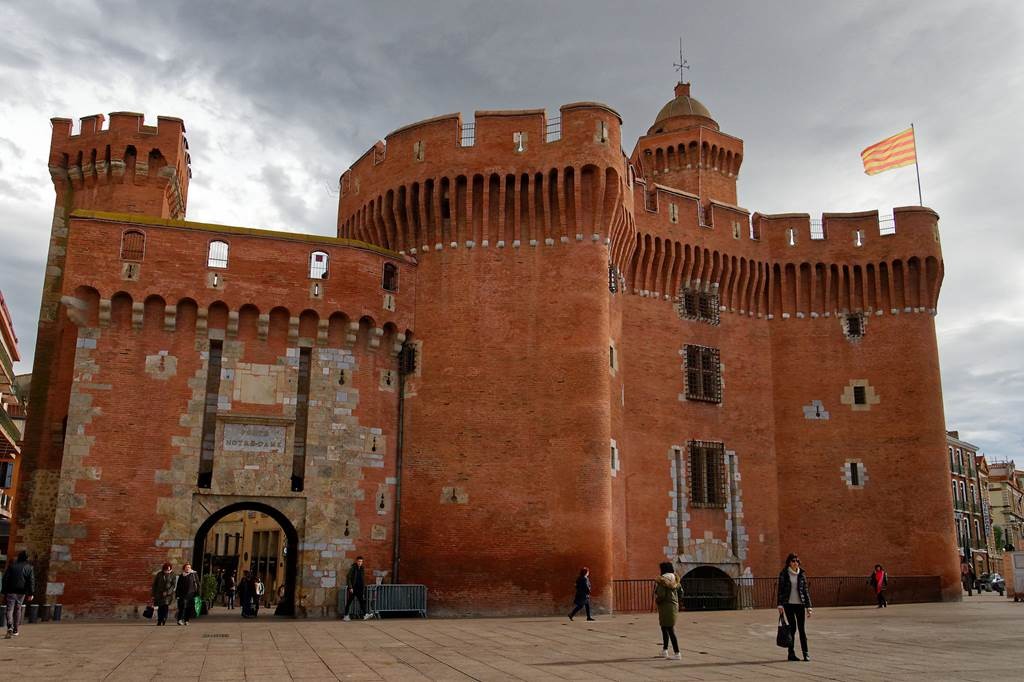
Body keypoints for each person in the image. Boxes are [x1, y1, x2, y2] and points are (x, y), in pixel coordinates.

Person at [777, 553, 812, 662]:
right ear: (789, 562)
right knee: (792, 629)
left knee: (802, 629)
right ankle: (791, 653)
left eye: (797, 561)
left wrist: (809, 607)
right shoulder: (784, 574)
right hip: (789, 605)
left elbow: (805, 591)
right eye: (793, 561)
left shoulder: (801, 574)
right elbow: (780, 590)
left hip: (800, 605)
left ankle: (806, 653)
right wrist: (780, 604)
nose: (795, 563)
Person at [1, 550, 34, 638]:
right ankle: (15, 630)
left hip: (11, 590)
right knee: (18, 609)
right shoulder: (29, 567)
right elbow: (31, 581)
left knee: (9, 609)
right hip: (21, 591)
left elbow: (5, 579)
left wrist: (3, 591)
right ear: (27, 558)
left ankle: (9, 627)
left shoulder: (12, 566)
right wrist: (31, 593)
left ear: (18, 557)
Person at [653, 562, 681, 660]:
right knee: (666, 627)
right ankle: (665, 650)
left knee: (668, 629)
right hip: (673, 606)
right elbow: (681, 592)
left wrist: (657, 601)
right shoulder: (676, 579)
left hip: (665, 607)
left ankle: (677, 653)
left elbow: (661, 595)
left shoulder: (662, 581)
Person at [342, 556, 371, 620]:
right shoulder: (353, 568)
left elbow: (362, 579)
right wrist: (350, 587)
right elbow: (348, 577)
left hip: (359, 589)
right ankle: (346, 616)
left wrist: (363, 588)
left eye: (361, 561)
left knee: (362, 601)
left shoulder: (362, 569)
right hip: (353, 588)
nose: (360, 563)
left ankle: (365, 614)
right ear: (356, 561)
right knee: (349, 602)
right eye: (359, 561)